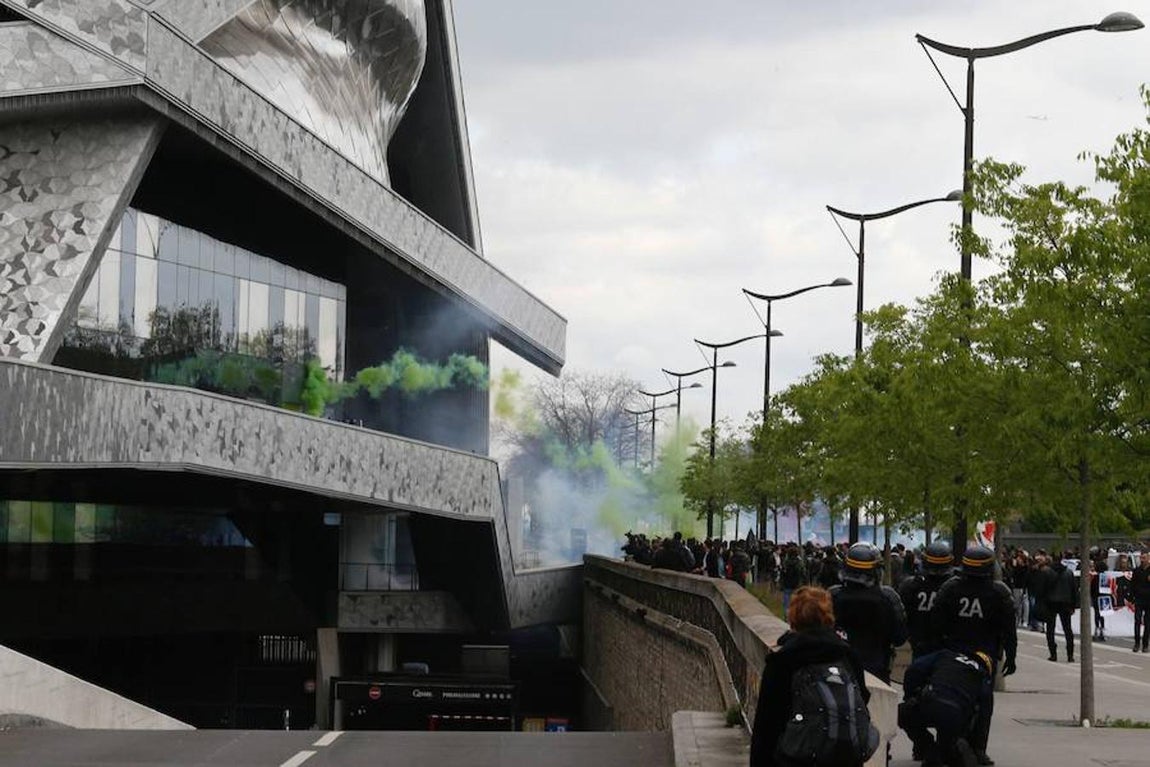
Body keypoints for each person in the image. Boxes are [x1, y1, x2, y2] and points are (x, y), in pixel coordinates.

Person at [750, 586, 875, 767]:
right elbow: (862, 700)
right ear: (828, 616)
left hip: (796, 758)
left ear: (793, 617)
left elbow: (767, 725)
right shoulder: (846, 655)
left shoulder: (784, 660)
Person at [931, 545, 1017, 767]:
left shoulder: (950, 588)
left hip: (953, 652)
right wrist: (1011, 656)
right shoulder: (999, 593)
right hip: (985, 657)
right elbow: (1009, 630)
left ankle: (944, 745)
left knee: (947, 696)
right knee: (984, 701)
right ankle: (979, 748)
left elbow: (937, 622)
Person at [830, 542, 908, 683]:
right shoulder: (889, 597)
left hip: (838, 672)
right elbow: (899, 638)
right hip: (877, 672)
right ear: (876, 571)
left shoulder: (831, 596)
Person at [899, 648, 992, 767]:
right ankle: (951, 750)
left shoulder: (946, 655)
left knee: (902, 713)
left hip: (931, 702)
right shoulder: (982, 674)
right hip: (956, 715)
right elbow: (984, 714)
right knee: (949, 748)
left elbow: (914, 669)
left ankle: (930, 749)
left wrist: (910, 695)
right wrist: (977, 747)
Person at [899, 540, 955, 660]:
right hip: (947, 645)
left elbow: (903, 616)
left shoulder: (911, 585)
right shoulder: (954, 587)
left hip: (920, 642)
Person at [1041, 552, 1078, 662]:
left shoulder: (1047, 572)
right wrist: (1073, 605)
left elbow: (1043, 589)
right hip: (1065, 602)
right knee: (1067, 629)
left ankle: (1053, 653)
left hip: (1051, 602)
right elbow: (1074, 590)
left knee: (1050, 629)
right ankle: (1070, 654)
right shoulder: (1069, 572)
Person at [1131, 551, 1150, 653]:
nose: (1142, 560)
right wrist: (1132, 597)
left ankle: (1145, 644)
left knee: (1147, 622)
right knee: (1137, 621)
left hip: (1148, 599)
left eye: (1144, 558)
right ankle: (1137, 643)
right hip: (1139, 599)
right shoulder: (1137, 571)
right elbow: (1132, 584)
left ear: (1148, 559)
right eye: (1141, 558)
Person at [780, 545, 806, 615]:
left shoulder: (785, 562)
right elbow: (803, 574)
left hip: (787, 584)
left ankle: (787, 615)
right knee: (797, 602)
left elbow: (782, 574)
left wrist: (781, 584)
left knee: (786, 603)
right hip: (797, 585)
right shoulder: (800, 563)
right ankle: (795, 615)